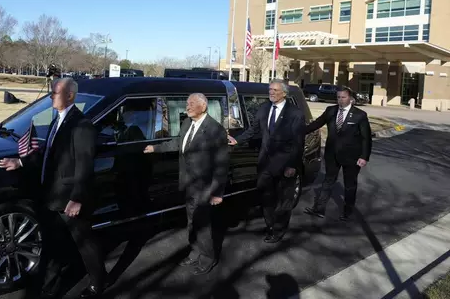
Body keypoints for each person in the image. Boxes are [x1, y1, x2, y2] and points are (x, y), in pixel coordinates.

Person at [0, 77, 106, 299]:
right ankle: (49, 287)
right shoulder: (58, 120)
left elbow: (85, 166)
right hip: (53, 196)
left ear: (70, 96)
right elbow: (49, 153)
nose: (50, 96)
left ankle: (98, 282)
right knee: (54, 243)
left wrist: (77, 198)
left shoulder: (81, 125)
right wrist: (20, 162)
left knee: (84, 243)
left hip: (69, 198)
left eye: (55, 92)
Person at [144, 93, 229, 275]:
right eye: (187, 104)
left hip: (205, 187)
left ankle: (207, 257)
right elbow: (178, 142)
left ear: (203, 107)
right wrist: (155, 148)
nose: (187, 107)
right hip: (188, 184)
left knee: (203, 223)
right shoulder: (186, 123)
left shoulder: (215, 130)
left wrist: (217, 192)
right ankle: (195, 250)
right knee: (191, 221)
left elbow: (221, 164)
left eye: (191, 104)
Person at [231, 79, 305, 243]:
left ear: (284, 93)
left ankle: (279, 230)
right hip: (265, 163)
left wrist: (292, 165)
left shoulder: (295, 114)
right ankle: (270, 226)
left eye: (275, 90)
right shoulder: (264, 108)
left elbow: (298, 143)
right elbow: (254, 130)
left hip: (285, 164)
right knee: (266, 197)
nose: (271, 92)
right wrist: (237, 140)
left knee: (284, 200)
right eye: (270, 89)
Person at [303, 86, 372, 221]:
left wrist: (364, 157)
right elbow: (316, 124)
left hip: (352, 157)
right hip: (332, 154)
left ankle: (348, 212)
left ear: (350, 99)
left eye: (343, 97)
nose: (340, 100)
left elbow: (366, 138)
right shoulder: (331, 111)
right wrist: (298, 131)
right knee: (328, 181)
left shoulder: (359, 115)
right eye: (338, 97)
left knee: (350, 185)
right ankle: (319, 209)